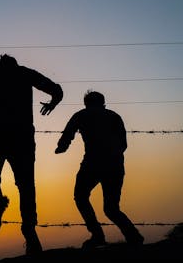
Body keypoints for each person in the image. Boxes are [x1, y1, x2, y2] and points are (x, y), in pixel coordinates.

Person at [0, 54, 63, 254]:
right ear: (16, 64)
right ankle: (29, 229)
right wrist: (52, 104)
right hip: (22, 136)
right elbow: (57, 90)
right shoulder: (25, 73)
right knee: (26, 184)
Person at [55, 90, 144, 248]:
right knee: (111, 208)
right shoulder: (114, 116)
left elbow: (68, 133)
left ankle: (97, 235)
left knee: (81, 197)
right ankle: (133, 236)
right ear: (103, 102)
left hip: (92, 164)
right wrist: (113, 156)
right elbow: (123, 144)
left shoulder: (81, 115)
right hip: (115, 165)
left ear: (86, 103)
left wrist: (62, 147)